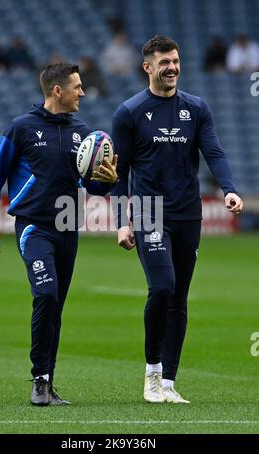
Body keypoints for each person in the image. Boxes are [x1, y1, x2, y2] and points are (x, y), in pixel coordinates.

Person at [111, 35, 243, 404]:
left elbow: (214, 151)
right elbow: (119, 175)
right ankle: (151, 374)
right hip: (149, 210)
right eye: (164, 62)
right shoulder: (130, 113)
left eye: (176, 60)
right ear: (147, 67)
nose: (172, 67)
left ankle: (169, 383)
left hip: (189, 212)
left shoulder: (196, 108)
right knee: (163, 287)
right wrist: (122, 221)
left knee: (180, 298)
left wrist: (228, 188)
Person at [0, 63, 118, 406]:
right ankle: (38, 384)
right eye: (77, 86)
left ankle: (47, 382)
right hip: (33, 227)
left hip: (69, 229)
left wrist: (107, 181)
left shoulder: (83, 132)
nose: (83, 92)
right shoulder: (21, 129)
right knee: (46, 293)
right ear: (58, 90)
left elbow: (91, 184)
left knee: (55, 306)